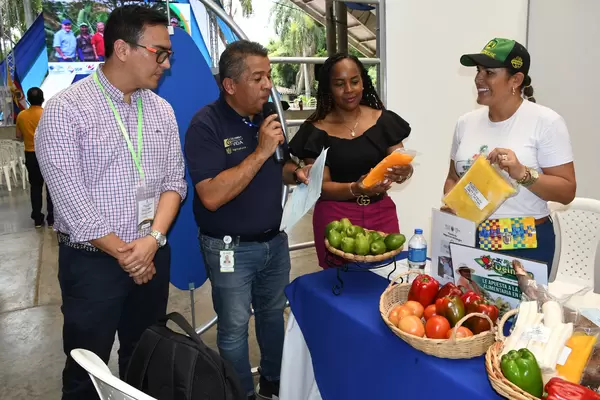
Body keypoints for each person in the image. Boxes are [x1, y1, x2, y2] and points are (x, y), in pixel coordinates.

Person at [35, 6, 186, 399]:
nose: (166, 64)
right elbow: (72, 202)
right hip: (92, 265)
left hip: (152, 254)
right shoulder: (67, 110)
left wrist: (150, 242)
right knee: (88, 368)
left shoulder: (162, 110)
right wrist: (127, 254)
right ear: (122, 48)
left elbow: (174, 183)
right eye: (160, 53)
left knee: (146, 357)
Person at [184, 40, 311, 400]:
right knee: (234, 328)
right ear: (230, 85)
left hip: (274, 242)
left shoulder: (266, 117)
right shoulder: (205, 125)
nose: (268, 85)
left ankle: (274, 381)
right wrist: (259, 151)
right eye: (258, 78)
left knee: (273, 317)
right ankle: (241, 393)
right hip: (230, 251)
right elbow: (210, 195)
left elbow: (277, 170)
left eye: (268, 76)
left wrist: (297, 174)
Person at [443, 38, 576, 275]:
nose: (478, 78)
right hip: (469, 237)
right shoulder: (465, 123)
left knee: (517, 313)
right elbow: (453, 177)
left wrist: (523, 173)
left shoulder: (546, 122)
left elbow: (567, 192)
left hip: (523, 242)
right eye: (478, 71)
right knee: (470, 311)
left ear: (515, 80)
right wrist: (454, 207)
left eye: (489, 72)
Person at [289, 53, 413, 269]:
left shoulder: (383, 120)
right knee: (341, 290)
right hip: (336, 222)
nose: (349, 90)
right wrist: (356, 188)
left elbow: (401, 162)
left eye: (354, 81)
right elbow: (320, 186)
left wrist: (405, 172)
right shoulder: (315, 131)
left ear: (363, 82)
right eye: (339, 84)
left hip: (381, 214)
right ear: (329, 88)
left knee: (384, 284)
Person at [16, 87, 53, 228]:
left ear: (29, 100)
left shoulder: (21, 116)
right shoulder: (47, 114)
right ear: (43, 99)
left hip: (31, 154)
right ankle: (52, 218)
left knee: (35, 187)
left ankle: (37, 218)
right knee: (51, 187)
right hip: (48, 154)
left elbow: (18, 136)